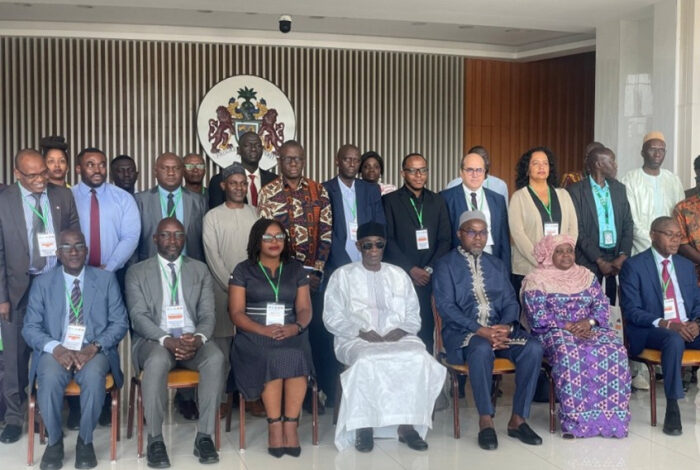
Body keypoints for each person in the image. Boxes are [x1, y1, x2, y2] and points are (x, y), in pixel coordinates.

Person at [323, 222, 446, 452]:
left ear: (384, 245)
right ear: (358, 246)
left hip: (398, 335)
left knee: (417, 357)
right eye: (367, 245)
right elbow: (332, 316)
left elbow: (413, 313)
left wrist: (402, 330)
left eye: (378, 245)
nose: (373, 250)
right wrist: (360, 331)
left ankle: (407, 426)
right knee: (366, 360)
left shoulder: (398, 274)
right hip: (355, 338)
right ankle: (364, 426)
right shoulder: (343, 276)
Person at [433, 210, 544, 450]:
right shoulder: (445, 265)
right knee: (481, 348)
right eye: (472, 232)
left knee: (533, 348)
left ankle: (518, 419)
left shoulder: (496, 264)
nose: (478, 238)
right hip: (464, 335)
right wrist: (479, 329)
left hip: (499, 333)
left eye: (483, 233)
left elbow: (511, 301)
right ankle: (486, 420)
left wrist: (505, 326)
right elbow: (446, 307)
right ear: (459, 234)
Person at [22, 229, 128, 469]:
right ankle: (54, 442)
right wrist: (55, 348)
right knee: (49, 377)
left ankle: (85, 441)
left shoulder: (105, 280)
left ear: (86, 251)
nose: (73, 252)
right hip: (55, 350)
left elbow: (120, 322)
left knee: (93, 376)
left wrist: (94, 347)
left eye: (79, 246)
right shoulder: (42, 283)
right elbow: (30, 327)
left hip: (93, 350)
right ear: (58, 253)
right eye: (67, 247)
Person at [126, 217, 224, 467]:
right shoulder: (137, 271)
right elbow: (138, 316)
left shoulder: (200, 270)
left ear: (185, 239)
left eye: (178, 235)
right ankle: (155, 440)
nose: (172, 240)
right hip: (155, 341)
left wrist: (199, 338)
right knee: (157, 361)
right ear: (155, 239)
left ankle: (204, 437)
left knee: (216, 358)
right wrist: (166, 339)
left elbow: (208, 314)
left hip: (192, 340)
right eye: (166, 235)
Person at [0, 149, 80, 444]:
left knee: (54, 350)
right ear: (17, 174)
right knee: (14, 357)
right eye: (32, 175)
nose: (40, 180)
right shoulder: (4, 200)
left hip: (54, 286)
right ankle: (14, 417)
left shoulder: (62, 196)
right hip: (17, 289)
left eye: (43, 173)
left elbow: (75, 240)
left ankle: (48, 414)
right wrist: (2, 297)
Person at [521, 234, 631, 438]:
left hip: (589, 328)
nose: (566, 255)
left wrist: (589, 323)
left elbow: (601, 305)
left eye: (569, 251)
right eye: (559, 251)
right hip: (553, 331)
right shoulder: (536, 279)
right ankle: (577, 422)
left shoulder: (586, 276)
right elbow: (537, 316)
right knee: (570, 353)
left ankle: (611, 421)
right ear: (549, 254)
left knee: (615, 350)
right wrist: (568, 325)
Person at [228, 218, 313, 458]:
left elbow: (305, 308)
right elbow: (236, 313)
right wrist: (262, 330)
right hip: (253, 335)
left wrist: (296, 327)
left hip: (290, 331)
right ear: (257, 241)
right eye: (267, 237)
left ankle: (290, 424)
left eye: (279, 237)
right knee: (271, 355)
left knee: (295, 353)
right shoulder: (243, 270)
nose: (274, 242)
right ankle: (274, 425)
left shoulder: (296, 269)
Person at [258, 140, 333, 407]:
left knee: (318, 336)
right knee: (288, 338)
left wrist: (317, 272)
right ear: (279, 161)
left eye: (297, 158)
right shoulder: (268, 192)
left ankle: (317, 393)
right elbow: (267, 238)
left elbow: (326, 233)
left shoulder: (318, 190)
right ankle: (288, 396)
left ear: (303, 161)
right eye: (288, 158)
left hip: (313, 280)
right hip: (282, 281)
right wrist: (290, 278)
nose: (293, 163)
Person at [620, 216, 700, 436]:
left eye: (678, 236)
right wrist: (667, 324)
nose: (675, 240)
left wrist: (697, 323)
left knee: (679, 336)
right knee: (673, 339)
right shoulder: (634, 266)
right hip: (652, 330)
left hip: (686, 327)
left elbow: (697, 302)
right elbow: (632, 310)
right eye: (669, 234)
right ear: (653, 235)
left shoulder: (685, 266)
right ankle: (672, 407)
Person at [202, 163, 259, 414]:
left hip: (253, 292)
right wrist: (233, 287)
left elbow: (261, 252)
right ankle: (222, 399)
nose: (238, 188)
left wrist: (252, 287)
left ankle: (252, 396)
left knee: (252, 346)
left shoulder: (256, 214)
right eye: (233, 183)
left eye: (243, 183)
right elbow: (212, 257)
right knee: (222, 347)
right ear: (224, 185)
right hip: (221, 290)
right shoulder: (212, 217)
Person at [382, 153, 451, 353]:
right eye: (413, 170)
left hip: (429, 278)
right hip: (401, 277)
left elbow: (445, 239)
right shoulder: (389, 201)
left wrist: (428, 269)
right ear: (403, 173)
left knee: (427, 329)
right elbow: (388, 239)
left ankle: (425, 368)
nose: (419, 175)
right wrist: (411, 269)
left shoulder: (438, 201)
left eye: (423, 170)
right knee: (400, 330)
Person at [567, 146, 633, 304]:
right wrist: (599, 260)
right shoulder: (575, 190)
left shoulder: (619, 189)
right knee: (587, 306)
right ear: (598, 164)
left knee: (611, 308)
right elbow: (577, 229)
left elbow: (628, 224)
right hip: (588, 260)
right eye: (612, 161)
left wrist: (623, 256)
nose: (615, 165)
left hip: (616, 260)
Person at [509, 146, 578, 293]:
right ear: (527, 169)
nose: (541, 167)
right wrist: (540, 260)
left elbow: (573, 229)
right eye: (536, 163)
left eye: (545, 163)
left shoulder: (563, 195)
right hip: (530, 268)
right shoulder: (518, 197)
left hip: (561, 268)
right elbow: (518, 234)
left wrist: (564, 257)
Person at [72, 147, 140, 271]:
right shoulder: (68, 197)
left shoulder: (124, 198)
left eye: (102, 165)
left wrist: (110, 267)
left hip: (114, 272)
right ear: (78, 169)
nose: (97, 170)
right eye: (90, 165)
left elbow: (130, 237)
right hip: (74, 272)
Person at [441, 150, 510, 268]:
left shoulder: (497, 200)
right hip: (459, 262)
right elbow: (444, 238)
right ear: (461, 173)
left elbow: (504, 240)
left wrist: (505, 269)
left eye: (479, 170)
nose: (475, 174)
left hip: (492, 260)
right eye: (470, 170)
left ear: (484, 173)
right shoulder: (446, 198)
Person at [135, 152, 207, 264]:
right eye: (165, 168)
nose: (171, 173)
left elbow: (205, 240)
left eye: (176, 168)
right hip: (150, 266)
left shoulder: (199, 201)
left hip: (190, 266)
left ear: (182, 171)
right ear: (155, 172)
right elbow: (133, 240)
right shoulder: (140, 200)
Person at [620, 132, 685, 255]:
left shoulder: (673, 180)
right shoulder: (630, 179)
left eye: (661, 150)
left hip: (670, 248)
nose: (657, 154)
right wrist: (656, 243)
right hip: (641, 249)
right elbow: (632, 221)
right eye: (652, 149)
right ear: (642, 152)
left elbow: (680, 216)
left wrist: (669, 241)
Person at [207, 132, 277, 209]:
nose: (253, 149)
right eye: (247, 145)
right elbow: (217, 212)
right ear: (238, 150)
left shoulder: (274, 180)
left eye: (258, 145)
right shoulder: (220, 180)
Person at [444, 146, 509, 202]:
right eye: (478, 159)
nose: (485, 162)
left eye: (486, 158)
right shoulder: (454, 184)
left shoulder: (500, 185)